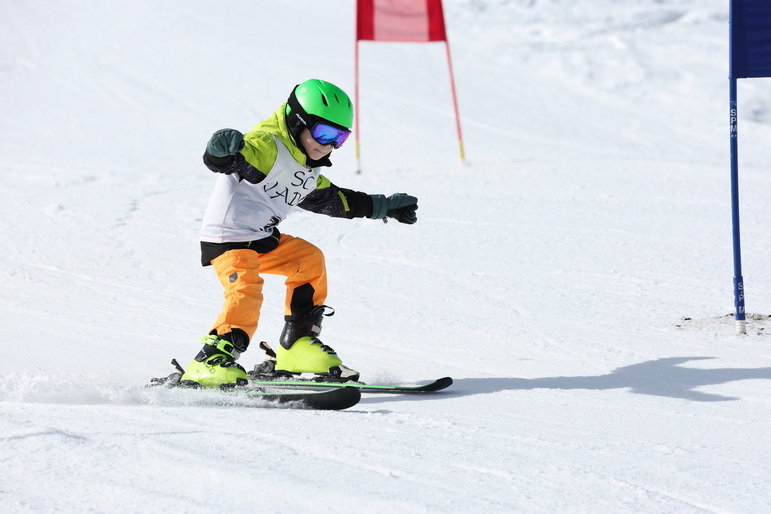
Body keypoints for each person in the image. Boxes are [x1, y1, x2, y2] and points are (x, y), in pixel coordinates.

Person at [179, 79, 419, 388]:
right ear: (298, 122)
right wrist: (219, 151)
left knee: (308, 260)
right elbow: (231, 159)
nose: (329, 146)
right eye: (324, 133)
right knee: (246, 290)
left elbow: (334, 200)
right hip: (228, 239)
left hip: (261, 239)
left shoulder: (306, 167)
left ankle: (297, 345)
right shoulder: (268, 146)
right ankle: (210, 359)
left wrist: (382, 207)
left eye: (340, 138)